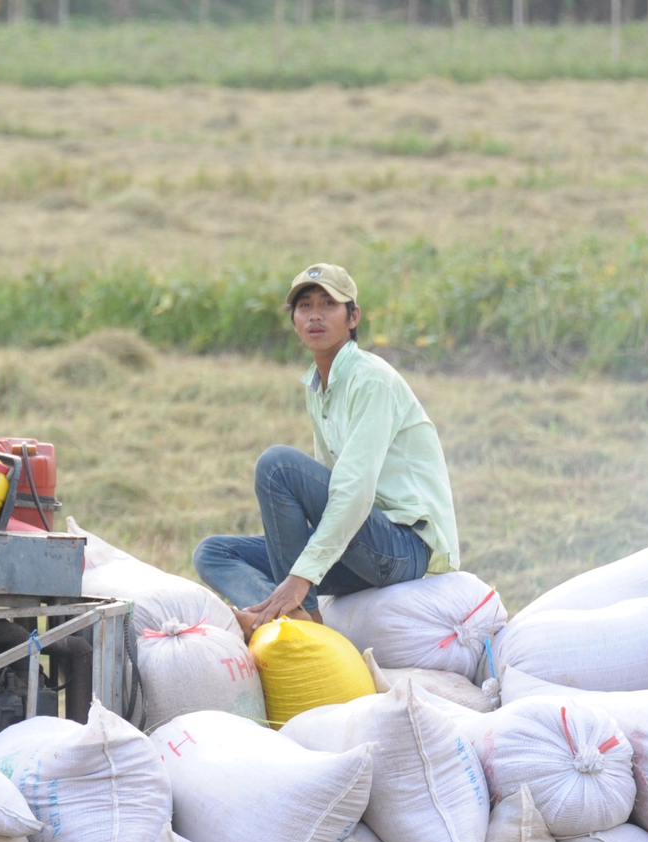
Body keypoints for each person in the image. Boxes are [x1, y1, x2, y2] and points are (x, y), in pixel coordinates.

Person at [194, 263, 461, 634]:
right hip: (358, 546)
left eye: (328, 304)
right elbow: (325, 487)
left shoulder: (371, 379)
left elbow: (352, 490)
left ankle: (301, 614)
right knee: (215, 552)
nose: (314, 315)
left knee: (278, 466)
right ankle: (271, 614)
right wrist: (301, 557)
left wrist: (303, 575)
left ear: (353, 317)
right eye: (304, 307)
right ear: (294, 321)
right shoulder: (317, 385)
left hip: (403, 547)